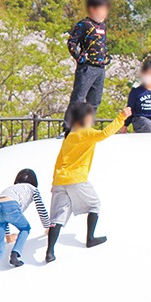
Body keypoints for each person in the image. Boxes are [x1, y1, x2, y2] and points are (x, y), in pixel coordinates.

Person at [41, 100, 131, 263]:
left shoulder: (69, 135)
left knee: (58, 216)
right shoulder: (86, 133)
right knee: (94, 204)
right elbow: (104, 134)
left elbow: (59, 160)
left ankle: (50, 251)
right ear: (85, 117)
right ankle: (90, 238)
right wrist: (121, 117)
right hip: (77, 178)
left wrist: (54, 182)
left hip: (61, 180)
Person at [67, 0, 112, 118]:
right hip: (87, 67)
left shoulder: (103, 26)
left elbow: (102, 44)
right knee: (78, 99)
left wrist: (107, 57)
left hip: (100, 68)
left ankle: (86, 126)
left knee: (95, 101)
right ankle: (69, 127)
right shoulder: (84, 24)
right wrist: (80, 58)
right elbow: (71, 42)